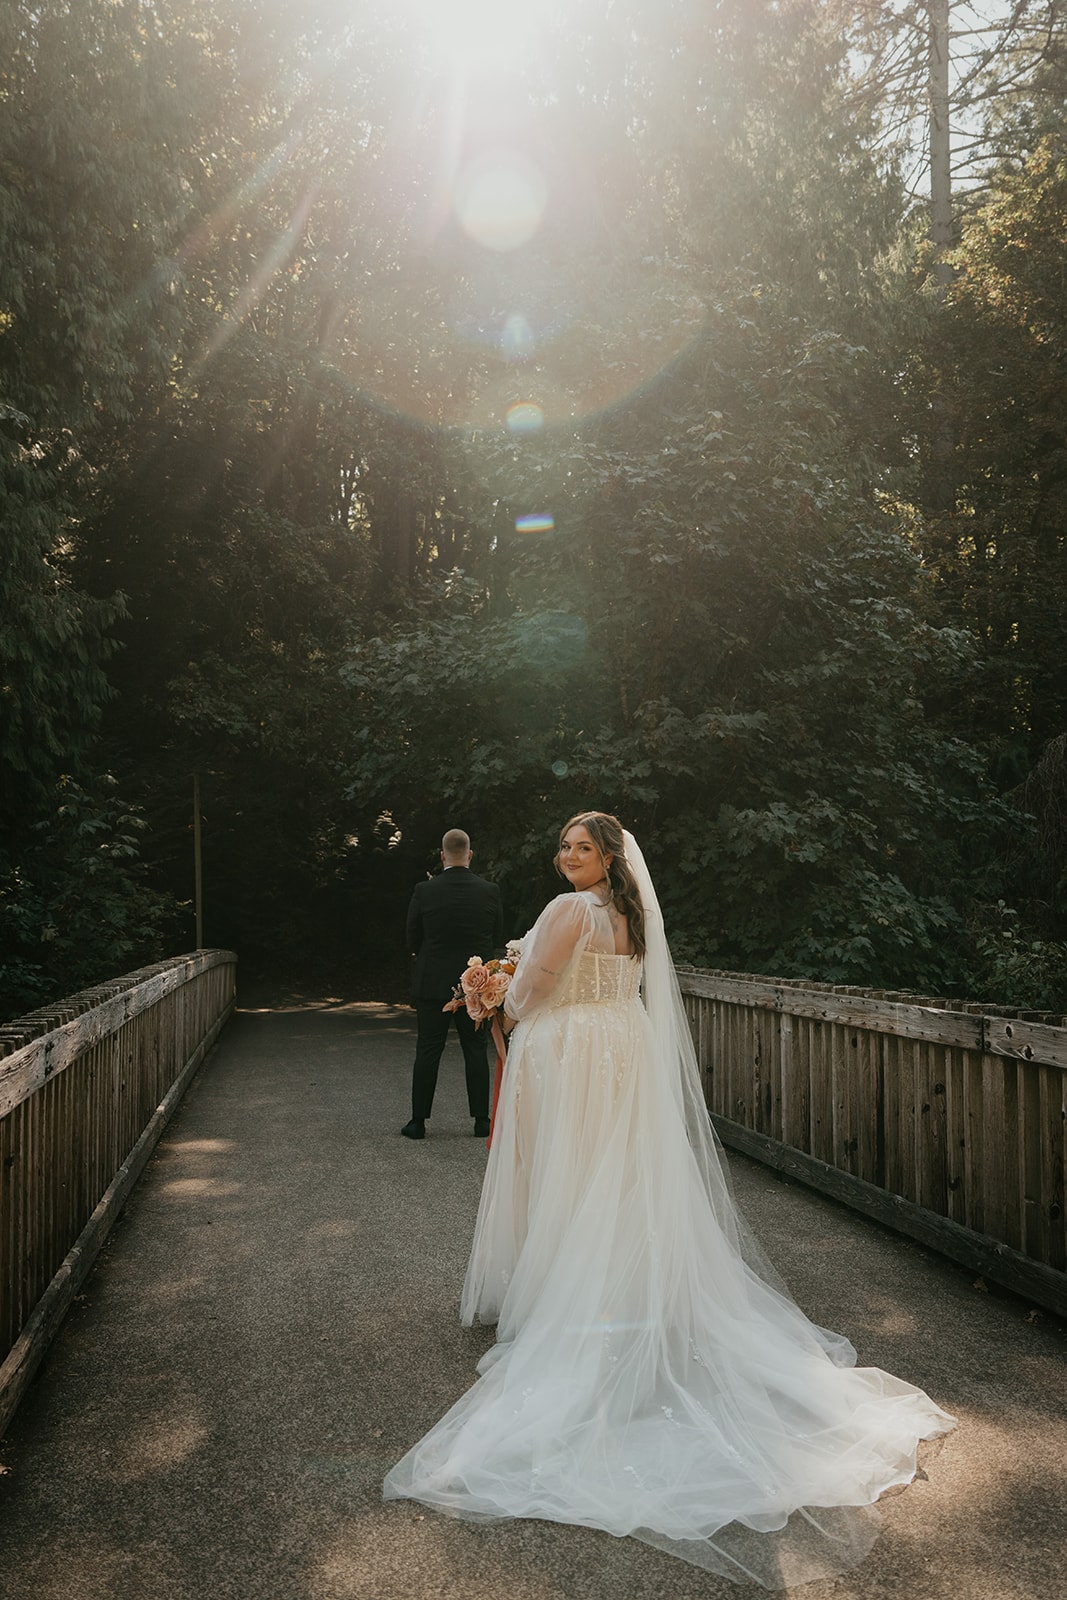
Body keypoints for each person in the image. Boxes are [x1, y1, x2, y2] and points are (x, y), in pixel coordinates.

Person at [384, 811, 955, 1587]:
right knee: (615, 1173)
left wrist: (496, 1001)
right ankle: (617, 1285)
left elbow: (537, 991)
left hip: (571, 1049)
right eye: (563, 847)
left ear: (608, 856)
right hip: (623, 1043)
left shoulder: (564, 912)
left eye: (582, 847)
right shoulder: (634, 914)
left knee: (567, 1171)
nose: (567, 857)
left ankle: (566, 1294)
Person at [402, 828, 504, 1141]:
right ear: (469, 854)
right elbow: (498, 935)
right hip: (476, 983)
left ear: (443, 855)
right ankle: (481, 1121)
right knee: (475, 1049)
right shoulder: (489, 891)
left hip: (433, 982)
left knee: (428, 1049)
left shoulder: (424, 890)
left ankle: (418, 1122)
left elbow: (412, 937)